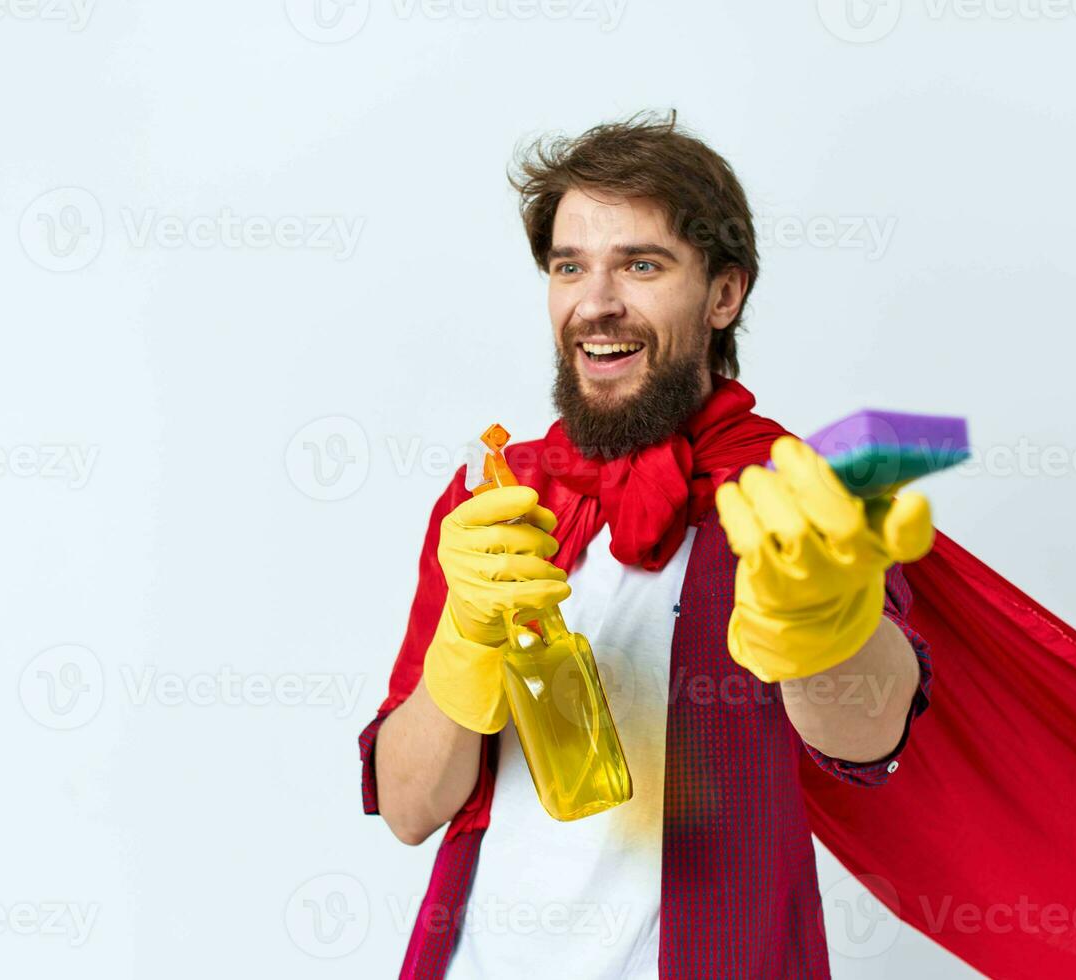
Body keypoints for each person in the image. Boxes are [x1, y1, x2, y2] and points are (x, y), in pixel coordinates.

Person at [358, 110, 936, 978]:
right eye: (569, 266)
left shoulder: (792, 494)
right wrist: (460, 649)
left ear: (724, 294)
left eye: (641, 263)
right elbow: (409, 807)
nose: (596, 302)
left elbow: (869, 735)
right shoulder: (495, 498)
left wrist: (823, 625)